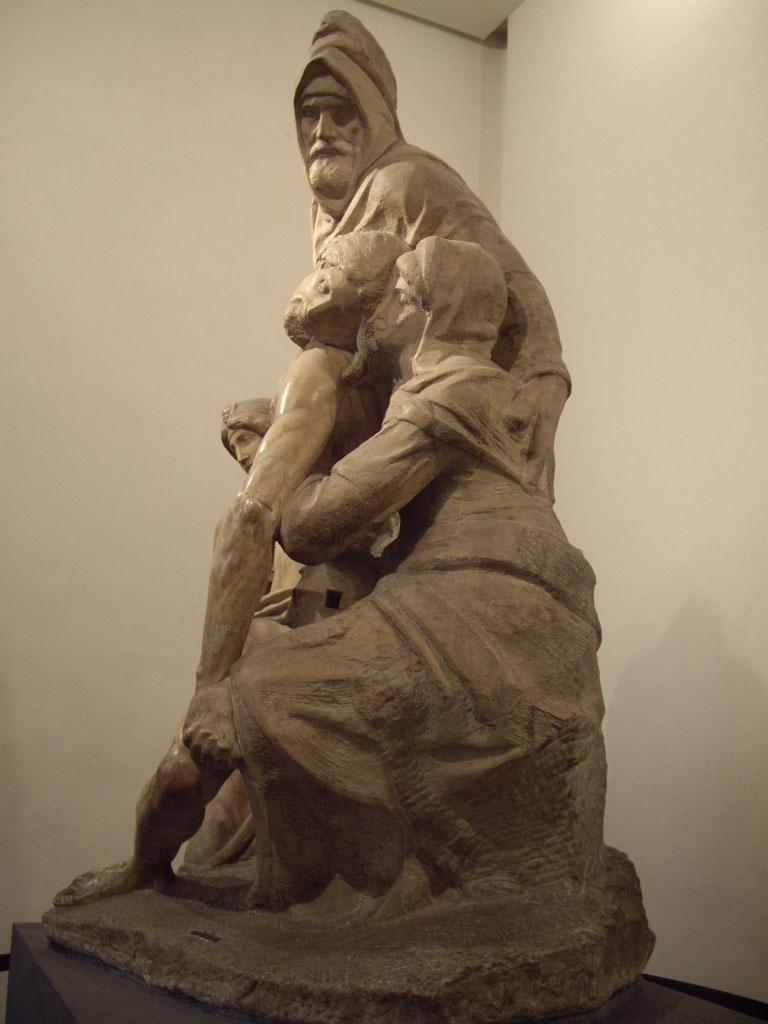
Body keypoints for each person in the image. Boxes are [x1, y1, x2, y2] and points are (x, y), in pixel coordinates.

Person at [199, 237, 605, 918]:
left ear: (427, 311)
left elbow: (314, 526)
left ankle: (356, 885)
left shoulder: (444, 394)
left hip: (478, 602)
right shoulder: (486, 390)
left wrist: (287, 460)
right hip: (509, 597)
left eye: (398, 295)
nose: (381, 308)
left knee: (266, 687)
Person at [55, 233, 410, 906]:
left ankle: (156, 869)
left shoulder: (338, 372)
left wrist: (211, 684)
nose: (311, 281)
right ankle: (150, 869)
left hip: (357, 615)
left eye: (327, 272)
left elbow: (249, 519)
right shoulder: (375, 379)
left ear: (355, 299)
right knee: (205, 783)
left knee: (209, 767)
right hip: (343, 616)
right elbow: (258, 521)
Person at [295, 10, 570, 502]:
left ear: (371, 113)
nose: (321, 131)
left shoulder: (408, 181)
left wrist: (544, 378)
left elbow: (514, 281)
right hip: (375, 400)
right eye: (309, 114)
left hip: (434, 402)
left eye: (340, 112)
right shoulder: (323, 213)